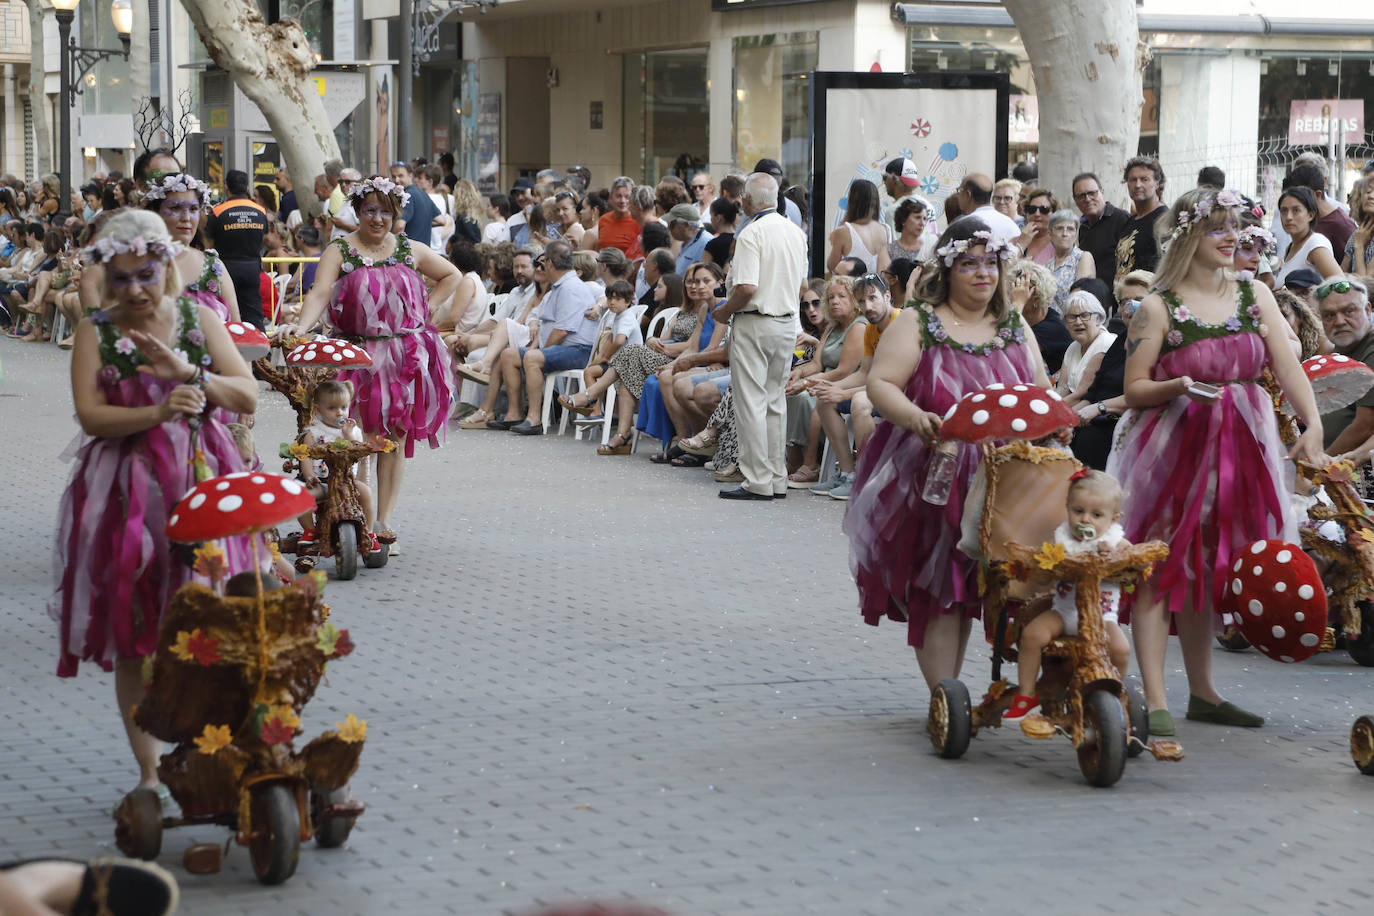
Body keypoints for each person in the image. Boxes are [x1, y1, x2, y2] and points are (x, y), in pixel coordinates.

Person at [52, 210, 258, 797]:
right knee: (134, 633)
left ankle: (214, 745)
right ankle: (149, 774)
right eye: (120, 279)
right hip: (124, 489)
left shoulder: (197, 315)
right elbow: (92, 416)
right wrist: (158, 410)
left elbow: (245, 391)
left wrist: (188, 372)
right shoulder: (97, 330)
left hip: (201, 478)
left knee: (214, 618)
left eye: (144, 275)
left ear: (165, 266)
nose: (134, 290)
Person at [1108, 187, 1324, 736]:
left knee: (1207, 566)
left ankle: (1204, 693)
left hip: (1242, 446)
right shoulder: (1157, 305)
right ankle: (1156, 701)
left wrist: (1312, 421)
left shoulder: (1255, 295)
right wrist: (1177, 383)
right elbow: (1133, 388)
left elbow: (1287, 366)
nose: (1232, 238)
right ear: (1187, 236)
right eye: (1217, 227)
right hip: (1171, 448)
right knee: (1160, 565)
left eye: (1238, 227)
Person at [845, 220, 1045, 691]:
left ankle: (953, 692)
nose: (982, 273)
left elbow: (1038, 390)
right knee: (941, 584)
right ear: (949, 268)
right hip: (938, 469)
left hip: (1006, 475)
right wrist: (916, 418)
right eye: (969, 263)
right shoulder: (919, 319)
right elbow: (881, 384)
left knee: (984, 583)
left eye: (990, 262)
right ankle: (945, 694)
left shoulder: (1013, 325)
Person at [276, 175, 459, 552]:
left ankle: (383, 519)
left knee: (392, 438)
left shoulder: (410, 249)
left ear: (395, 214)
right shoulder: (340, 250)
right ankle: (350, 505)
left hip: (403, 356)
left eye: (385, 212)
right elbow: (320, 292)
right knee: (349, 435)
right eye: (369, 211)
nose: (377, 219)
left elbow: (451, 275)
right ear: (357, 212)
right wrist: (302, 327)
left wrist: (425, 311)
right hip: (356, 357)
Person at [1004, 470, 1133, 721]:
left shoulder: (1116, 540)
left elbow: (1135, 560)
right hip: (1065, 612)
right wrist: (1044, 563)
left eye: (1096, 515)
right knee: (1032, 634)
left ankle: (1113, 695)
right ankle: (1027, 692)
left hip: (1102, 617)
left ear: (1113, 519)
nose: (1085, 519)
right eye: (1078, 511)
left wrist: (1116, 556)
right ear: (1067, 508)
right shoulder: (1062, 539)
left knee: (1121, 649)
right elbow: (1044, 567)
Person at [709, 172, 808, 498]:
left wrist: (723, 311)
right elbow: (803, 286)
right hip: (785, 322)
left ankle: (756, 480)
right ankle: (776, 478)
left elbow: (747, 287)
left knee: (750, 402)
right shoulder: (795, 233)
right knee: (774, 402)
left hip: (755, 321)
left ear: (748, 201)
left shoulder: (751, 233)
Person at [563, 272, 704, 455]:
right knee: (626, 373)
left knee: (629, 352)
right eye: (690, 282)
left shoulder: (705, 313)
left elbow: (693, 346)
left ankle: (592, 396)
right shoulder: (682, 313)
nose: (693, 286)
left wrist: (666, 348)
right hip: (662, 356)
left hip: (683, 360)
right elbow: (662, 339)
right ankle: (622, 435)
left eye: (699, 282)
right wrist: (652, 340)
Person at [484, 239, 598, 435]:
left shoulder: (570, 287)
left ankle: (534, 418)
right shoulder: (560, 286)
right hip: (564, 348)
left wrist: (538, 351)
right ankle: (514, 414)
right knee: (508, 355)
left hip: (579, 351)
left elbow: (562, 331)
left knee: (531, 357)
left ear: (550, 263)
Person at [805, 273, 897, 500]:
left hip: (905, 392)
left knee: (858, 401)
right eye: (863, 301)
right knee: (825, 399)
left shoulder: (899, 323)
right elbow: (864, 374)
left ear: (887, 296)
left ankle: (865, 475)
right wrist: (826, 385)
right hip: (882, 388)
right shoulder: (871, 329)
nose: (868, 306)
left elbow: (892, 381)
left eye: (873, 298)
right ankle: (848, 473)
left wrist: (842, 391)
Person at [784, 276, 865, 491]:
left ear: (854, 299)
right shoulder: (831, 327)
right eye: (830, 297)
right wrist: (798, 372)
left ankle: (810, 464)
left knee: (803, 396)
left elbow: (844, 370)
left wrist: (806, 383)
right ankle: (796, 461)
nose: (835, 301)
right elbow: (817, 363)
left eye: (841, 296)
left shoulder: (859, 326)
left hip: (845, 382)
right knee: (788, 392)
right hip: (824, 378)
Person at [143, 173, 240, 323]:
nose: (186, 218)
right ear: (156, 213)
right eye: (175, 208)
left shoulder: (213, 266)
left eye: (193, 209)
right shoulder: (138, 263)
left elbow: (238, 331)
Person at [295, 380, 377, 553]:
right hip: (321, 482)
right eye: (332, 408)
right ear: (318, 410)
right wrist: (310, 476)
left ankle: (369, 532)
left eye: (343, 407)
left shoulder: (353, 431)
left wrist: (348, 436)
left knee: (366, 493)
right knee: (300, 497)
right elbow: (306, 457)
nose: (339, 412)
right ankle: (310, 530)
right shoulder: (313, 433)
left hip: (346, 481)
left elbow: (358, 452)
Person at [1316, 275, 1374, 457]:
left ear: (1367, 310)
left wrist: (1322, 463)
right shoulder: (1340, 349)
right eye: (1329, 315)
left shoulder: (1371, 350)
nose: (1339, 321)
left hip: (1358, 471)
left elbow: (1366, 426)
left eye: (1349, 311)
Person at [206, 170, 268, 329]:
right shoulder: (260, 211)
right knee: (253, 313)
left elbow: (209, 242)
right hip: (252, 268)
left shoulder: (218, 211)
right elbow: (263, 237)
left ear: (226, 187)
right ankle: (261, 351)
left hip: (226, 268)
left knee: (226, 312)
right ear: (246, 187)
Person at [1056, 289, 1115, 407]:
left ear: (1098, 318)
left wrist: (1052, 409)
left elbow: (1081, 395)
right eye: (1072, 317)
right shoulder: (1073, 347)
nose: (1078, 322)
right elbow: (1062, 388)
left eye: (1084, 315)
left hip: (1095, 411)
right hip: (1074, 406)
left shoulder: (1105, 343)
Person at [1114, 157, 1168, 283]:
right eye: (1132, 180)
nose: (1137, 185)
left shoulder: (1164, 220)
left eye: (1145, 179)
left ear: (1157, 184)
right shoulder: (1130, 221)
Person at [1275, 186, 1341, 284]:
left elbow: (1341, 285)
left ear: (1311, 215)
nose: (1288, 217)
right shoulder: (1290, 247)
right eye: (1284, 211)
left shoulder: (1315, 244)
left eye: (1296, 210)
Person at [1288, 162, 1356, 258]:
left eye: (1301, 198)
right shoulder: (1307, 218)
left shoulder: (1342, 226)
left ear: (1318, 195)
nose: (1295, 203)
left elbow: (1349, 270)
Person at [1046, 209, 1095, 312]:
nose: (1065, 233)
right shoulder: (1048, 265)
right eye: (1059, 228)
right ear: (1050, 234)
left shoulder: (1083, 257)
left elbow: (1080, 297)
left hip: (1072, 321)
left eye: (1070, 229)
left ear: (1076, 234)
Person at [953, 173, 1020, 244]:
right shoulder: (1011, 225)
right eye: (998, 198)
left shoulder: (962, 225)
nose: (1002, 202)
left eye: (960, 191)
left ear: (968, 194)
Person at [390, 161, 442, 248]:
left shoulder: (407, 195)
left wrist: (390, 244)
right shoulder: (423, 193)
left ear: (410, 175)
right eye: (393, 176)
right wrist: (419, 223)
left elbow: (399, 225)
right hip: (424, 252)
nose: (396, 180)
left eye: (400, 176)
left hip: (409, 254)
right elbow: (441, 220)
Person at [598, 177, 643, 259]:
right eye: (618, 196)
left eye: (627, 197)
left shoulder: (639, 222)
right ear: (610, 197)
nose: (622, 201)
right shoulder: (603, 220)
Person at [668, 203, 713, 275]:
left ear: (686, 225)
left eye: (672, 225)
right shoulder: (687, 241)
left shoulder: (706, 242)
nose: (669, 229)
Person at [1016, 188, 1058, 265]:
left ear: (1054, 213)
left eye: (1044, 209)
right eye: (1032, 209)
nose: (1037, 214)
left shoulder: (1059, 243)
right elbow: (1005, 268)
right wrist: (1021, 245)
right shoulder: (1015, 241)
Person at [887, 198, 934, 264]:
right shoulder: (889, 250)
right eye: (917, 217)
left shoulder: (930, 247)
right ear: (903, 220)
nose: (922, 223)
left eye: (924, 219)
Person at [1343, 178, 1374, 277]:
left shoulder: (1358, 237)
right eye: (1368, 192)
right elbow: (1341, 273)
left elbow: (1365, 286)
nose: (1370, 196)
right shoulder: (1359, 232)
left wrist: (1359, 246)